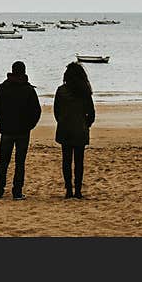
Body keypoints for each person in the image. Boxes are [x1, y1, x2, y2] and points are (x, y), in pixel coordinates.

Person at [0, 60, 41, 200]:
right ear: (24, 72)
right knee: (20, 162)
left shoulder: (3, 87)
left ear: (12, 71)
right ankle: (17, 191)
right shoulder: (28, 89)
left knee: (3, 161)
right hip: (22, 132)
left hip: (7, 130)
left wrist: (2, 122)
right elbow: (36, 111)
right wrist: (29, 126)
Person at [53, 62, 96, 199]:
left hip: (65, 129)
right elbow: (91, 113)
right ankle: (78, 190)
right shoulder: (85, 92)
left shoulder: (61, 91)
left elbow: (56, 111)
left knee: (66, 161)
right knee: (79, 161)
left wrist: (62, 121)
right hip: (80, 130)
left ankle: (68, 190)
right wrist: (86, 124)